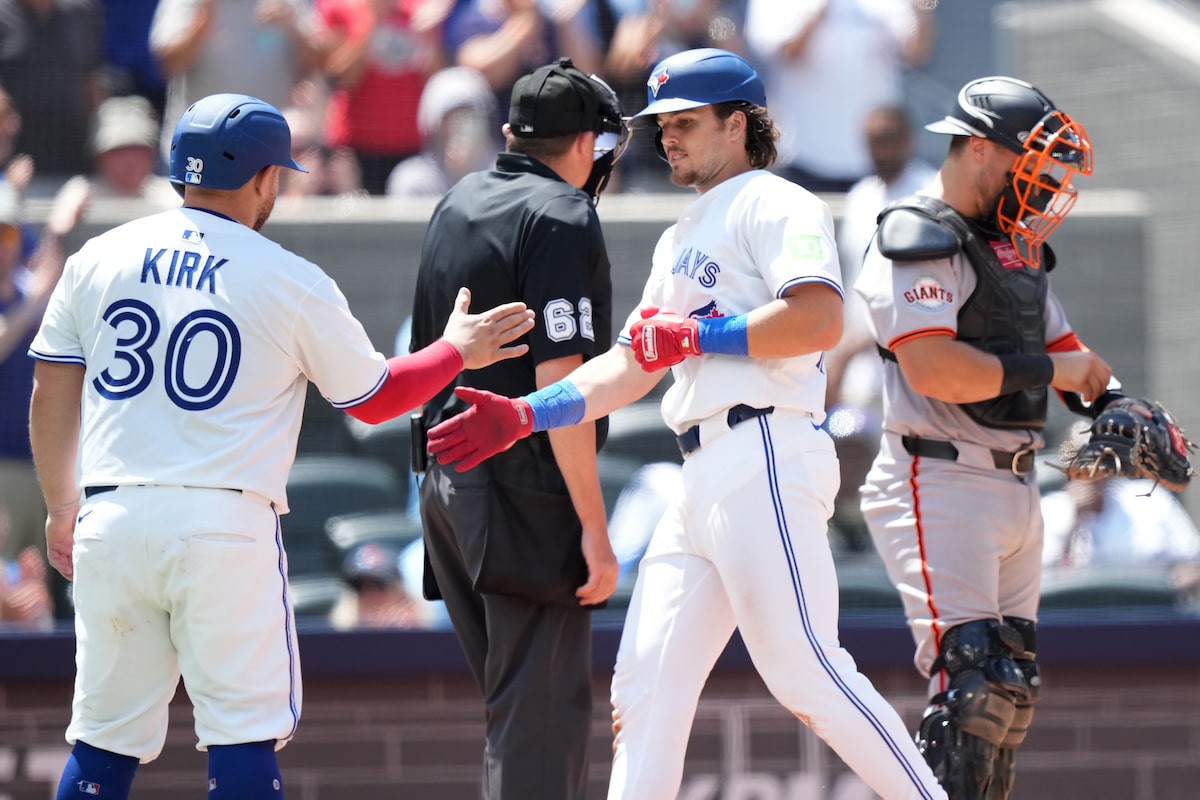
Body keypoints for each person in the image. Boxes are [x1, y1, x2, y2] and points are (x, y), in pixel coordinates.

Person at [424, 47, 948, 800]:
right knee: (643, 689)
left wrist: (702, 337)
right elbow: (629, 364)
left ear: (738, 125)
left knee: (805, 667)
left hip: (764, 444)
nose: (666, 136)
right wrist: (522, 415)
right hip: (700, 471)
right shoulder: (680, 236)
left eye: (685, 122)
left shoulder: (777, 200)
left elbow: (819, 317)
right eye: (660, 123)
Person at [26, 92, 535, 800]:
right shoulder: (288, 277)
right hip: (223, 525)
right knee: (241, 738)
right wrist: (454, 351)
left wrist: (60, 507)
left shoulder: (99, 256)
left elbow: (51, 390)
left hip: (111, 515)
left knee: (103, 743)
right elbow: (375, 399)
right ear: (264, 178)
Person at [852, 76, 1114, 798]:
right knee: (972, 690)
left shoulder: (1016, 249)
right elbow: (937, 369)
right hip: (938, 475)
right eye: (1025, 160)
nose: (1040, 179)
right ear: (974, 147)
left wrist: (1116, 407)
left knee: (1009, 694)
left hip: (1017, 485)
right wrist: (1056, 366)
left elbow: (1073, 359)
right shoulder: (917, 235)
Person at [409, 57, 626, 800]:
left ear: (510, 134)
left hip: (445, 486)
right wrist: (593, 527)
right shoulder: (564, 214)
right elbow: (559, 386)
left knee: (518, 716)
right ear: (587, 143)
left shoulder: (459, 197)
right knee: (540, 731)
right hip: (519, 486)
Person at [744, 0, 934, 193]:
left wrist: (922, 11)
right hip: (806, 159)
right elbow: (787, 52)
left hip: (878, 162)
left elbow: (915, 53)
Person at [385, 65, 500, 199]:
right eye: (450, 117)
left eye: (469, 115)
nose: (460, 126)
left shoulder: (507, 176)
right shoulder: (413, 181)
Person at [89, 95, 180, 207]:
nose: (129, 160)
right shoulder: (81, 198)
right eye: (119, 152)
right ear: (100, 158)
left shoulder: (174, 199)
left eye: (137, 150)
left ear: (153, 155)